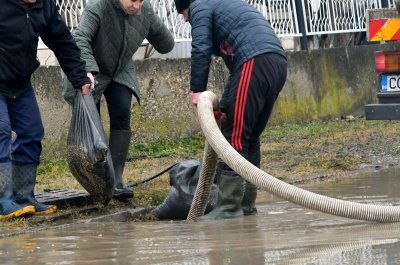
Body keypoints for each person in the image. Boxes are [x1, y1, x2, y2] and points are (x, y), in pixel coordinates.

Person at [173, 0, 287, 220]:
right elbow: (235, 74)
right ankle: (246, 205)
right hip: (277, 62)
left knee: (233, 138)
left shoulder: (199, 6)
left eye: (183, 14)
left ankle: (229, 207)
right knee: (250, 137)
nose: (186, 19)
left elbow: (201, 47)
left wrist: (197, 93)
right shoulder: (220, 5)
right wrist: (224, 106)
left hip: (254, 60)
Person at [62, 0, 175, 200]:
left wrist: (157, 28)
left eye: (141, 0)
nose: (137, 5)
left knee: (122, 112)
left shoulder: (144, 9)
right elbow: (80, 38)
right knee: (91, 124)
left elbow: (166, 45)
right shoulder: (98, 6)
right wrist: (86, 70)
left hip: (120, 70)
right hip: (90, 70)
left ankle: (116, 180)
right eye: (133, 0)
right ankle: (96, 181)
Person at [0, 0, 92, 220]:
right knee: (1, 131)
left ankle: (24, 196)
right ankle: (2, 199)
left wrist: (80, 76)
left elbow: (62, 41)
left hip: (20, 83)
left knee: (32, 132)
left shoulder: (44, 6)